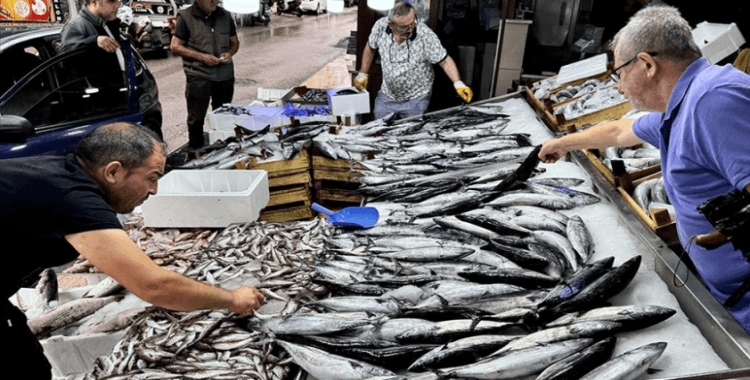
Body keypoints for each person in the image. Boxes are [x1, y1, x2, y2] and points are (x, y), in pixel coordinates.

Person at [538, 5, 750, 332]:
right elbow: (619, 131)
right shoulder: (682, 105)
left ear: (647, 64)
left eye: (619, 73)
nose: (619, 88)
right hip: (732, 296)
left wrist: (730, 230)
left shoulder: (713, 100)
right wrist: (562, 144)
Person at [0, 123, 265, 379]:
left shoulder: (57, 171)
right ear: (113, 172)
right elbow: (155, 287)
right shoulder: (73, 199)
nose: (154, 190)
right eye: (152, 178)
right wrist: (232, 299)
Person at [353, 1, 473, 120]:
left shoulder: (425, 34)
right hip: (387, 96)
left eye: (413, 23)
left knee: (410, 135)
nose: (411, 29)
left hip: (416, 99)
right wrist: (363, 73)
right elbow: (370, 47)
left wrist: (458, 83)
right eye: (405, 27)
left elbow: (445, 61)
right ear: (391, 25)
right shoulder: (380, 27)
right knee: (379, 130)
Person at [170, 0, 239, 150]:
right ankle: (195, 152)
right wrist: (202, 57)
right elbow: (175, 46)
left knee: (223, 116)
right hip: (199, 76)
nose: (214, 1)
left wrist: (230, 53)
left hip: (225, 76)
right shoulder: (185, 16)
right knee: (196, 119)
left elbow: (235, 42)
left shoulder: (225, 15)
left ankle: (223, 150)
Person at [59, 0, 123, 55]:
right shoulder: (75, 26)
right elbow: (65, 57)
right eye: (111, 1)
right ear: (94, 3)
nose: (118, 5)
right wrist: (94, 41)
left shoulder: (111, 22)